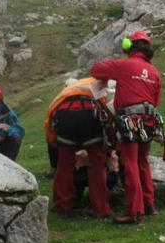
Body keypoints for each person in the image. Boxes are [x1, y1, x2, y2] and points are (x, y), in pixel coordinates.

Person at [90, 30, 162, 224]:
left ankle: (134, 211)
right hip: (148, 118)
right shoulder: (154, 72)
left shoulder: (125, 65)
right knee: (142, 161)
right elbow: (155, 100)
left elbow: (95, 70)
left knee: (129, 163)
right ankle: (149, 205)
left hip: (130, 117)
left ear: (129, 46)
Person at [44, 78, 113, 218]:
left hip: (65, 118)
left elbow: (49, 119)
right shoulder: (95, 83)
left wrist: (53, 142)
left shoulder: (63, 94)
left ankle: (62, 206)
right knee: (97, 165)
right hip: (89, 115)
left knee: (64, 166)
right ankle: (100, 209)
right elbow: (105, 109)